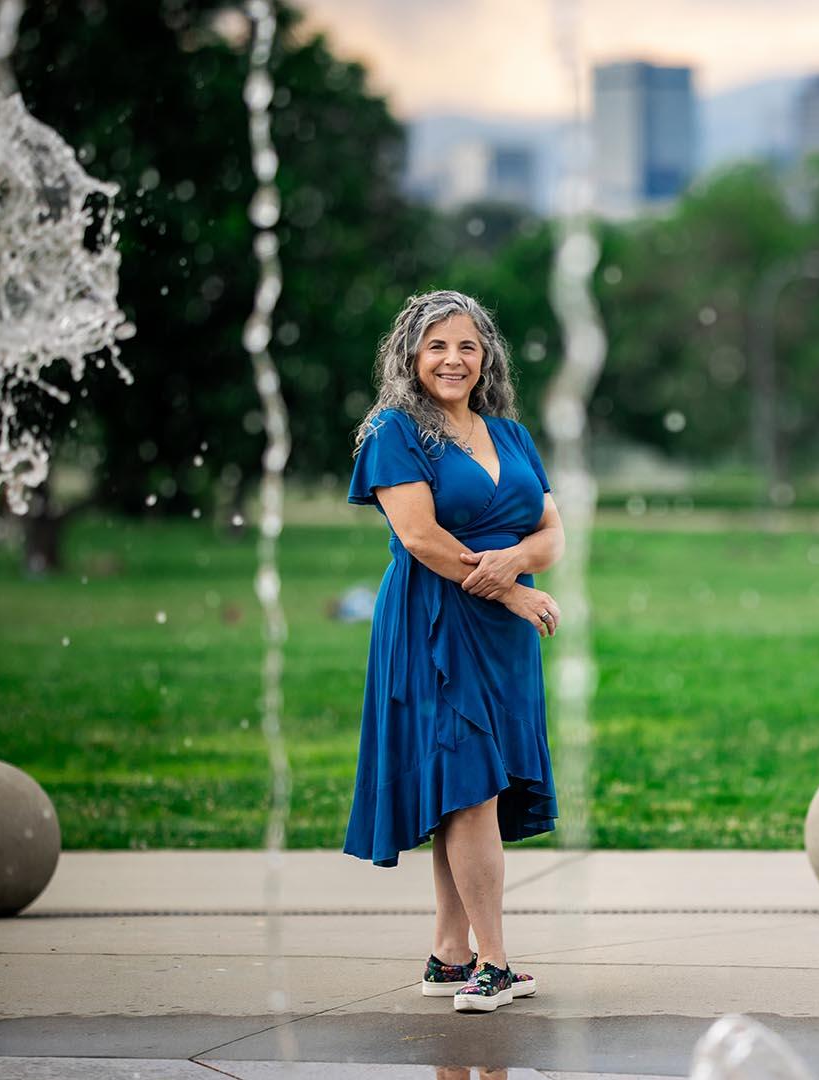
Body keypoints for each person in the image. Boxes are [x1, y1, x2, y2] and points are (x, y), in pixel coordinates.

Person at [342, 289, 563, 1014]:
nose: (453, 359)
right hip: (435, 623)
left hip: (502, 640)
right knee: (468, 785)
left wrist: (517, 564)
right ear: (411, 355)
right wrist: (512, 589)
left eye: (467, 346)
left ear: (486, 357)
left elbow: (552, 535)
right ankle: (494, 964)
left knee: (472, 792)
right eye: (437, 345)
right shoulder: (395, 430)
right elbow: (421, 539)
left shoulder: (510, 435)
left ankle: (450, 953)